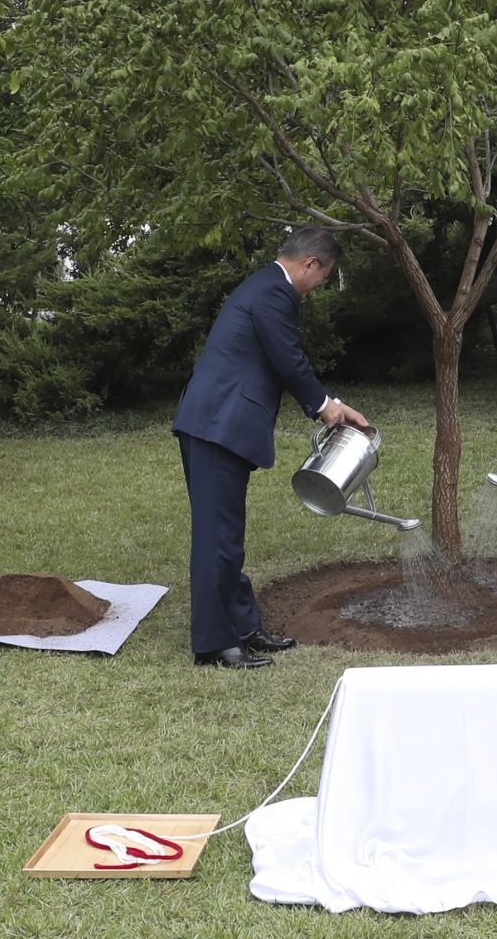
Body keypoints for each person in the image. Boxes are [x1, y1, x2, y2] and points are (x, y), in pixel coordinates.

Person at [173, 227, 370, 668]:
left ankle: (243, 628)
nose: (318, 286)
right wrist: (324, 407)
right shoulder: (274, 292)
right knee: (215, 537)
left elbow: (278, 357)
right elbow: (287, 356)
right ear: (310, 264)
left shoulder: (265, 286)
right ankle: (214, 644)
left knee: (228, 533)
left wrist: (332, 403)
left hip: (220, 425)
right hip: (215, 426)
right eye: (324, 276)